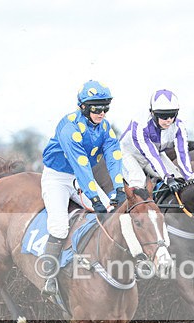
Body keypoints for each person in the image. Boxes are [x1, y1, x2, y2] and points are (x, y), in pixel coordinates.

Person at [39, 80, 126, 280]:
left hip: (81, 178)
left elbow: (114, 157)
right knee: (60, 227)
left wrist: (119, 189)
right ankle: (48, 277)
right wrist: (94, 198)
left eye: (106, 108)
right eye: (97, 108)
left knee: (113, 214)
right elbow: (81, 165)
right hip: (58, 178)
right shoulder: (69, 126)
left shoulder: (104, 126)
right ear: (83, 107)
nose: (102, 113)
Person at [120, 89, 194, 191]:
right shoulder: (140, 125)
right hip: (128, 154)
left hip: (155, 154)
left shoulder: (179, 126)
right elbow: (151, 155)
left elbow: (182, 153)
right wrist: (166, 177)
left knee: (178, 178)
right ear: (152, 113)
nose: (169, 120)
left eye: (172, 115)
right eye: (164, 116)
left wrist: (189, 177)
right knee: (139, 182)